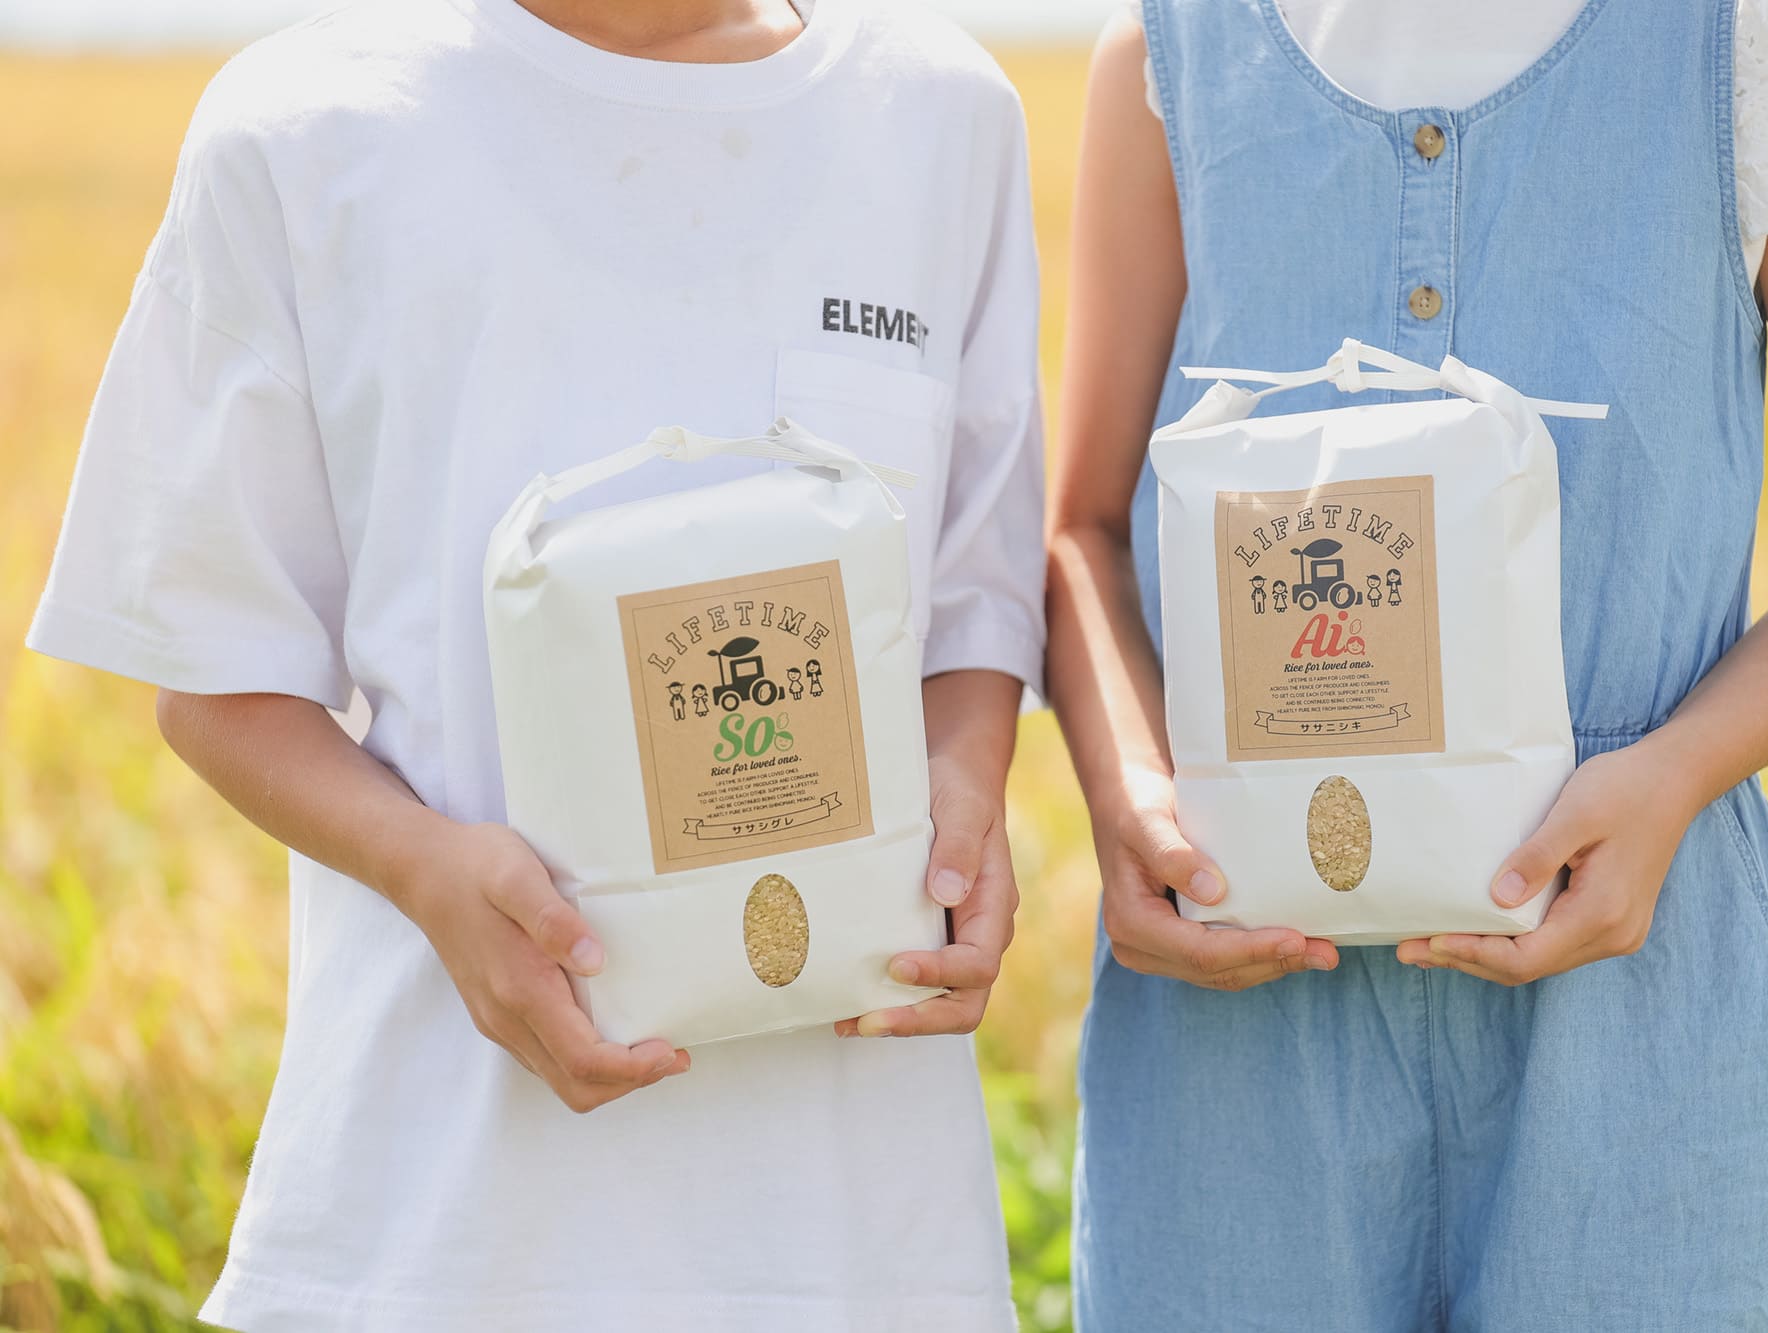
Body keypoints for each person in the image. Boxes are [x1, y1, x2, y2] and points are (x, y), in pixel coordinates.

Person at [27, 0, 1043, 1328]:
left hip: (865, 1245)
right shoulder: (305, 127)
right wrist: (424, 868)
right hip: (434, 1236)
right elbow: (217, 669)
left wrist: (967, 789)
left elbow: (971, 610)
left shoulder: (941, 114)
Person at [1045, 0, 1768, 1326]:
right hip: (1231, 1022)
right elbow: (1084, 531)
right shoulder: (1171, 53)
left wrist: (1671, 774)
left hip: (1634, 1011)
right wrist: (1132, 792)